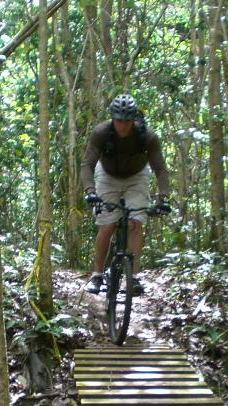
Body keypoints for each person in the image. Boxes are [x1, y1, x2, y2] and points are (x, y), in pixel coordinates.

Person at [80, 93, 172, 295]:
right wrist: (90, 191)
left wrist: (163, 197)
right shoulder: (101, 132)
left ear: (133, 120)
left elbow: (160, 169)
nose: (123, 125)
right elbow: (87, 164)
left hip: (137, 175)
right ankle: (97, 274)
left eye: (127, 121)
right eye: (119, 120)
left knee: (135, 223)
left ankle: (133, 277)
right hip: (107, 174)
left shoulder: (147, 136)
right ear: (113, 118)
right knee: (107, 224)